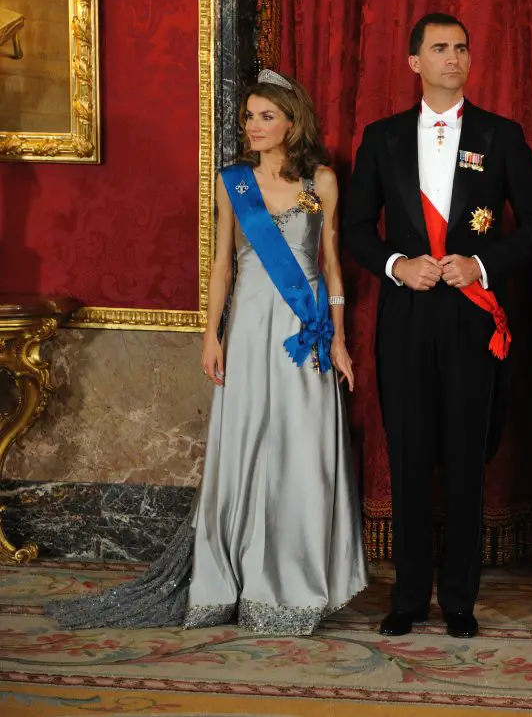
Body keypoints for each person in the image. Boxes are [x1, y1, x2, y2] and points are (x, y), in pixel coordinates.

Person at [46, 70, 368, 634]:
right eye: (249, 116)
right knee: (247, 441)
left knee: (303, 445)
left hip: (305, 324)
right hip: (248, 324)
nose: (254, 126)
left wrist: (339, 336)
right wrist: (210, 334)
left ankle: (300, 581)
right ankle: (236, 575)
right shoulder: (234, 182)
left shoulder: (322, 180)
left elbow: (334, 264)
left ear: (293, 121)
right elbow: (221, 264)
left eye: (266, 116)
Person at [342, 13, 532, 640]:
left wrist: (482, 263)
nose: (453, 58)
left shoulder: (501, 135)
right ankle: (408, 596)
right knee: (408, 456)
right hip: (406, 314)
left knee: (466, 457)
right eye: (439, 49)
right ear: (415, 63)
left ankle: (459, 597)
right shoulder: (380, 138)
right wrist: (396, 264)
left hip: (471, 315)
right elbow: (356, 228)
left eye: (462, 47)